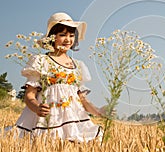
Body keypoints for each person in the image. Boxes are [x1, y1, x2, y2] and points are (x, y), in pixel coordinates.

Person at [15, 12, 105, 142]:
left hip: (74, 121)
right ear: (52, 37)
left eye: (71, 35)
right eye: (62, 35)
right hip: (50, 118)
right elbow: (29, 95)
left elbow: (82, 100)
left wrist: (98, 111)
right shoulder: (41, 61)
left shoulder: (78, 65)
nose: (68, 39)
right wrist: (37, 107)